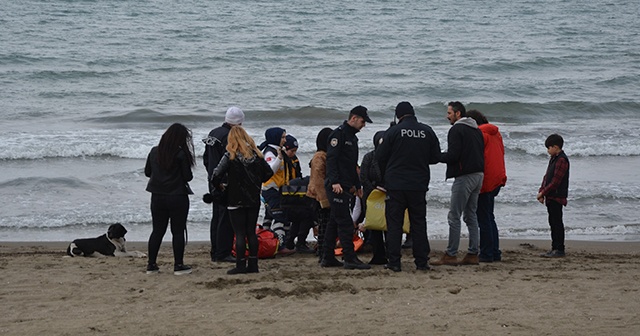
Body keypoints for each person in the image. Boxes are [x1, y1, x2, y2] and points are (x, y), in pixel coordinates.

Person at [376, 102, 442, 272]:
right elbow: (435, 157)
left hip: (396, 185)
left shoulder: (393, 132)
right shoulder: (426, 131)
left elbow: (380, 156)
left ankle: (394, 262)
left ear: (398, 116)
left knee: (394, 223)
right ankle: (421, 262)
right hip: (418, 184)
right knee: (419, 223)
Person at [211, 126, 274, 274]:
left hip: (234, 199)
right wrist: (257, 181)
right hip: (253, 199)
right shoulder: (256, 155)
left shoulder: (230, 155)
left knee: (239, 233)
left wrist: (222, 187)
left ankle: (240, 265)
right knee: (251, 232)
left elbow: (215, 175)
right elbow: (268, 173)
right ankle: (253, 265)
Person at [431, 101, 484, 266]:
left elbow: (453, 156)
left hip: (465, 176)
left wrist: (434, 156)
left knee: (454, 216)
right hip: (479, 175)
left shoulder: (456, 129)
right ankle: (473, 253)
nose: (447, 116)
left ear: (458, 113)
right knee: (471, 215)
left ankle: (451, 254)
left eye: (449, 113)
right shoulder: (476, 130)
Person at [322, 105, 372, 270]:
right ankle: (350, 258)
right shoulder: (338, 135)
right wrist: (335, 181)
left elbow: (351, 165)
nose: (363, 125)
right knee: (344, 222)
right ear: (354, 118)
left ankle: (327, 256)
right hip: (336, 185)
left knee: (334, 221)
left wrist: (357, 185)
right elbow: (331, 159)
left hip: (346, 184)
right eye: (362, 121)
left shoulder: (353, 137)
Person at [144, 123, 196, 275]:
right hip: (177, 196)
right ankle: (178, 265)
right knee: (178, 231)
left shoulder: (154, 151)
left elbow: (148, 173)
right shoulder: (180, 154)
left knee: (157, 231)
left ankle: (151, 265)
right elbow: (188, 177)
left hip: (157, 196)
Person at [203, 106, 245, 263]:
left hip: (212, 179)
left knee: (217, 216)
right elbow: (231, 160)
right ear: (238, 123)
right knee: (226, 218)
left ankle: (215, 250)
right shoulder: (230, 136)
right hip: (225, 182)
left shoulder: (213, 133)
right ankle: (223, 252)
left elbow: (206, 158)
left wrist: (211, 174)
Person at [467, 110, 507, 263]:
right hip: (498, 176)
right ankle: (494, 252)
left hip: (486, 178)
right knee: (489, 217)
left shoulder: (480, 134)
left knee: (483, 218)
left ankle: (487, 253)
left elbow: (476, 156)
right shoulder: (496, 133)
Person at [259, 127, 295, 254]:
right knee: (279, 217)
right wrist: (279, 158)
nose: (285, 140)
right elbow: (270, 171)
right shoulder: (270, 153)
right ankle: (280, 245)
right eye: (283, 137)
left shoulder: (278, 150)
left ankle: (265, 240)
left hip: (279, 189)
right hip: (271, 190)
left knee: (269, 217)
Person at [537, 134, 570, 258]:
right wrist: (542, 191)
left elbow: (555, 182)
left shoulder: (562, 159)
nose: (547, 150)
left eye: (549, 148)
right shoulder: (554, 158)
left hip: (557, 196)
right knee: (552, 222)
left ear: (556, 147)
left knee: (557, 222)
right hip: (550, 196)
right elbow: (547, 177)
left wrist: (543, 193)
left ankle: (559, 248)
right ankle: (554, 247)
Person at [282, 135, 315, 254]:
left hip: (296, 191)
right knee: (305, 215)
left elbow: (298, 174)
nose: (293, 153)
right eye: (292, 151)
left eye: (295, 151)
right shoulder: (281, 159)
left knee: (299, 217)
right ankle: (297, 242)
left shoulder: (294, 160)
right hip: (287, 192)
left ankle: (291, 242)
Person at [359, 130, 388, 265]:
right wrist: (375, 190)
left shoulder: (391, 157)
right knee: (374, 227)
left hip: (388, 195)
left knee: (389, 226)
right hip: (371, 197)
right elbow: (363, 178)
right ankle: (378, 255)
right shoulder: (368, 157)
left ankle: (391, 253)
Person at [306, 127, 333, 263]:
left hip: (319, 196)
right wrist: (324, 200)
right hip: (318, 197)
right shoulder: (320, 156)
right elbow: (318, 180)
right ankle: (323, 253)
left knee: (325, 225)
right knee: (324, 225)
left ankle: (324, 252)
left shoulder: (324, 155)